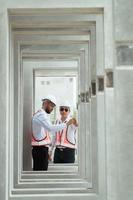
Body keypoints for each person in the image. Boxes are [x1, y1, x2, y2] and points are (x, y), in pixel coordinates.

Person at [31, 95, 75, 171]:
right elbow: (51, 129)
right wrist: (66, 124)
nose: (52, 109)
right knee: (41, 174)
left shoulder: (41, 114)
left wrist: (49, 151)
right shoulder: (41, 115)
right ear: (46, 103)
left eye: (66, 109)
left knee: (41, 173)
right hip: (40, 149)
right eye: (52, 106)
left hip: (45, 149)